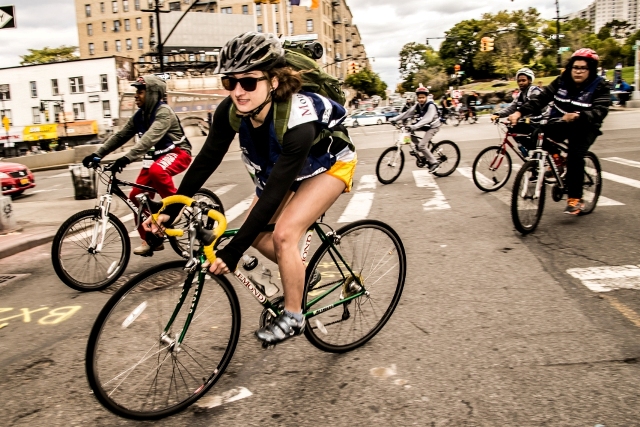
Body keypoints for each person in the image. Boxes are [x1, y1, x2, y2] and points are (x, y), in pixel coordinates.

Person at [144, 32, 357, 346]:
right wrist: (169, 212)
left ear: (273, 81)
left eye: (249, 82)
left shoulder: (298, 117)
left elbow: (273, 195)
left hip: (328, 165)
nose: (238, 92)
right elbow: (205, 161)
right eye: (230, 82)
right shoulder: (230, 112)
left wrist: (232, 253)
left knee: (284, 234)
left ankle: (294, 316)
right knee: (257, 234)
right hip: (283, 171)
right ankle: (301, 271)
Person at [82, 75, 192, 254]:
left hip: (178, 152)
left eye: (141, 91)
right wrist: (97, 154)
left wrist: (126, 158)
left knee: (157, 171)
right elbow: (120, 136)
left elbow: (148, 140)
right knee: (136, 196)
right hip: (154, 158)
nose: (136, 95)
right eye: (136, 91)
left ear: (153, 94)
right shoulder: (139, 116)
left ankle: (176, 207)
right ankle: (151, 239)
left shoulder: (163, 112)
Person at [509, 48, 611, 215]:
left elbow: (601, 109)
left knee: (575, 156)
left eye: (583, 68)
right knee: (534, 134)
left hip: (586, 126)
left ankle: (575, 199)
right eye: (575, 67)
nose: (578, 71)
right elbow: (540, 99)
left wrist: (579, 116)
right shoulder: (561, 81)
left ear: (591, 69)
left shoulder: (600, 85)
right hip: (560, 122)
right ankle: (557, 161)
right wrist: (519, 112)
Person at [389, 84, 441, 172]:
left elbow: (427, 119)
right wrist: (394, 119)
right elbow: (407, 113)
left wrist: (414, 126)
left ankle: (434, 163)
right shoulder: (417, 105)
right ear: (417, 97)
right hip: (425, 125)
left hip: (433, 126)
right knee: (408, 131)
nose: (421, 99)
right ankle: (418, 147)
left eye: (423, 97)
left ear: (426, 97)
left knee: (421, 145)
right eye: (419, 97)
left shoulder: (430, 105)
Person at [491, 67, 543, 151]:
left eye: (523, 80)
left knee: (517, 126)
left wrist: (518, 115)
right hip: (528, 122)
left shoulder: (534, 91)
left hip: (538, 122)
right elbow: (511, 107)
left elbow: (532, 105)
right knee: (511, 127)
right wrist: (498, 114)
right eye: (519, 81)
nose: (521, 83)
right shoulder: (520, 95)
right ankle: (527, 148)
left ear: (529, 80)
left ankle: (532, 150)